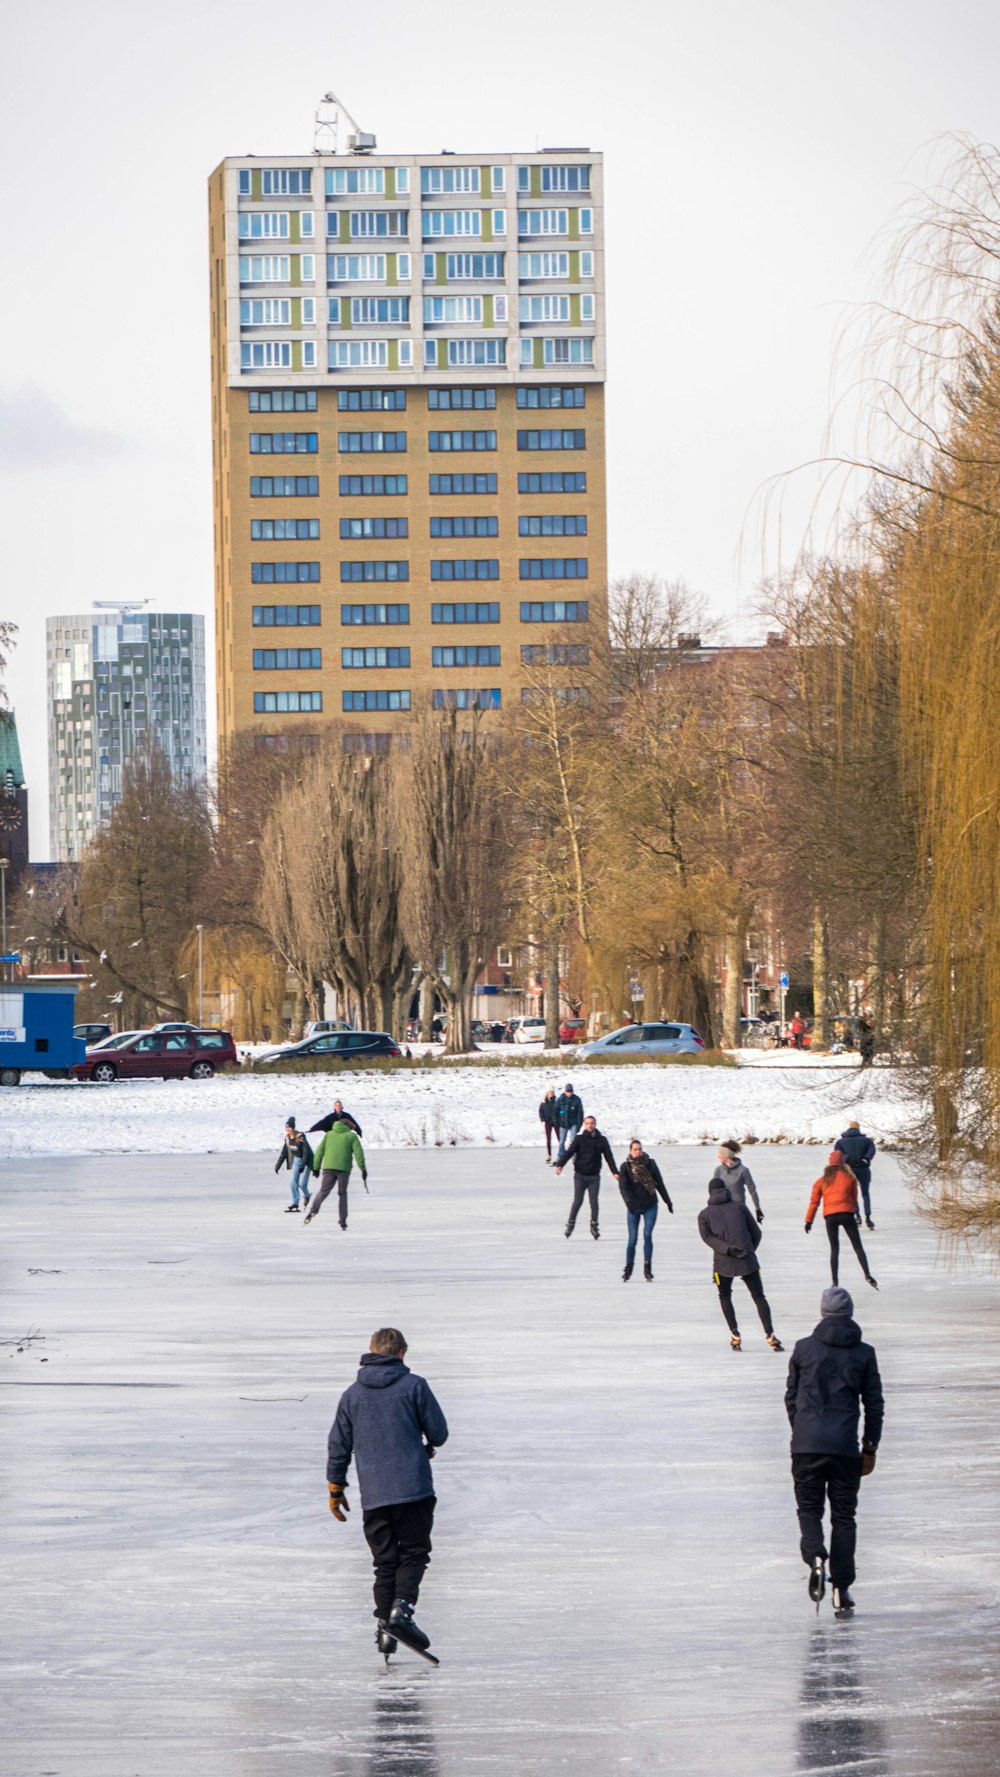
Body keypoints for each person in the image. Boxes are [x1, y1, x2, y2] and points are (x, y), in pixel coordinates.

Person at [327, 1327, 449, 1660]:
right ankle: (401, 1612)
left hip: (374, 1494)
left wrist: (335, 1488)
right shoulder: (414, 1386)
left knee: (384, 1563)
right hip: (413, 1490)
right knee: (413, 1553)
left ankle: (385, 1629)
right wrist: (423, 1442)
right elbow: (438, 1433)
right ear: (401, 1354)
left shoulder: (352, 1394)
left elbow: (339, 1445)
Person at [784, 1286, 884, 1616]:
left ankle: (814, 1556)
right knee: (844, 1517)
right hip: (844, 1448)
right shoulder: (864, 1353)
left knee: (809, 1510)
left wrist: (801, 1432)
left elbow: (791, 1398)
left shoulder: (802, 1349)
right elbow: (874, 1403)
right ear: (850, 1313)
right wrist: (869, 1446)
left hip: (806, 1446)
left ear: (823, 1312)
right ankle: (841, 1589)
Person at [697, 1178, 784, 1352]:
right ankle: (770, 1335)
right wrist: (748, 1250)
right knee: (759, 1297)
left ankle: (735, 1336)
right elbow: (756, 1233)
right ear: (725, 1189)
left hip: (722, 1263)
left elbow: (708, 1238)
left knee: (724, 1296)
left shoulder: (705, 1214)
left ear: (710, 1193)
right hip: (747, 1259)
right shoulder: (740, 1207)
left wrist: (727, 1249)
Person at [805, 1152, 878, 1291]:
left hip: (830, 1217)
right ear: (842, 1164)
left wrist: (809, 1221)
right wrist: (856, 1214)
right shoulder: (850, 1178)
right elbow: (854, 1199)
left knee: (834, 1249)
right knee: (857, 1246)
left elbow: (814, 1202)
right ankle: (867, 1274)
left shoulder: (821, 1181)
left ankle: (835, 1282)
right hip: (846, 1214)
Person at [555, 1113, 618, 1240]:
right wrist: (560, 1164)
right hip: (580, 1176)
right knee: (578, 1201)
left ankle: (594, 1226)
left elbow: (609, 1157)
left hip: (594, 1176)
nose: (590, 1125)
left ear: (595, 1124)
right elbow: (569, 1152)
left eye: (592, 1123)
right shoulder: (579, 1139)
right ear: (585, 1125)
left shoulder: (602, 1140)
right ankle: (570, 1224)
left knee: (594, 1202)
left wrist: (614, 1172)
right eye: (588, 1123)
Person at [617, 1138, 673, 1281]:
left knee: (647, 1234)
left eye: (639, 1149)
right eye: (635, 1149)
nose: (638, 1152)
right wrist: (629, 1203)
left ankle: (648, 1268)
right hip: (633, 1207)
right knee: (633, 1239)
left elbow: (659, 1183)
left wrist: (668, 1201)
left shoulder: (650, 1164)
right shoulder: (625, 1167)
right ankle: (629, 1267)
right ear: (630, 1151)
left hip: (650, 1205)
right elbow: (623, 1188)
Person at [306, 1116, 367, 1229]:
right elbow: (359, 1154)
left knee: (323, 1191)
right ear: (349, 1126)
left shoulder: (328, 1134)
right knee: (342, 1194)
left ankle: (314, 1209)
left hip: (328, 1167)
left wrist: (316, 1168)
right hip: (344, 1169)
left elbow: (319, 1151)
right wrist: (363, 1168)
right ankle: (342, 1220)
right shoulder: (351, 1136)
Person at [837, 1120, 877, 1229]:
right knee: (865, 1193)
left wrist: (848, 1160)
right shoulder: (867, 1141)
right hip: (864, 1169)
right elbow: (872, 1150)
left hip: (850, 1170)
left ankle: (857, 1216)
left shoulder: (841, 1142)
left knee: (852, 1194)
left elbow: (838, 1154)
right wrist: (866, 1159)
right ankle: (868, 1217)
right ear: (858, 1129)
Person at [712, 1139, 764, 1222]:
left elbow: (752, 1191)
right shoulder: (718, 1170)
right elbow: (713, 1192)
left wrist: (758, 1210)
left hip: (738, 1211)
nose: (718, 1156)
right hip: (722, 1211)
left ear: (727, 1155)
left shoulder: (743, 1171)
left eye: (720, 1153)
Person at [274, 1116, 314, 1213]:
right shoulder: (287, 1138)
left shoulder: (300, 1137)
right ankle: (295, 1203)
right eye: (286, 1127)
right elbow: (284, 1153)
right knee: (293, 1182)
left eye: (289, 1127)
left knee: (302, 1184)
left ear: (293, 1127)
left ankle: (307, 1195)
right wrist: (278, 1165)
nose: (288, 1129)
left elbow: (306, 1153)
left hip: (307, 1161)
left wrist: (303, 1165)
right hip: (297, 1160)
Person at [555, 1082, 584, 1162]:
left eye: (570, 1091)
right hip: (563, 1123)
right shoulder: (560, 1099)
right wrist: (556, 1122)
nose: (569, 1093)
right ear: (565, 1091)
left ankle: (574, 1155)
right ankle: (561, 1155)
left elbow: (580, 1113)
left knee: (574, 1140)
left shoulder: (577, 1100)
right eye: (568, 1091)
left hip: (573, 1123)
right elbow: (555, 1111)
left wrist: (579, 1125)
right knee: (561, 1141)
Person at [538, 1088, 560, 1164]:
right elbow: (540, 1111)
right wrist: (543, 1118)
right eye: (550, 1092)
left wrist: (561, 1115)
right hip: (548, 1122)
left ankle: (561, 1153)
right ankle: (549, 1155)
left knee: (560, 1138)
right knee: (548, 1139)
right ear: (547, 1093)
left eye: (552, 1092)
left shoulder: (557, 1102)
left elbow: (561, 1110)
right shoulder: (543, 1103)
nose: (551, 1093)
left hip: (556, 1122)